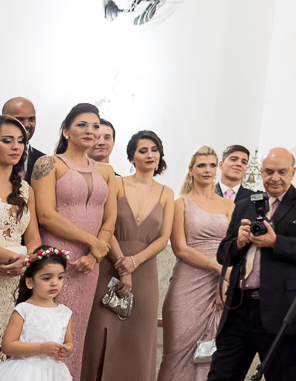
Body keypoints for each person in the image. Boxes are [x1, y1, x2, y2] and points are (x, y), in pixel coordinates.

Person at [208, 147, 296, 380]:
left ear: (292, 172)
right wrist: (239, 242)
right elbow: (223, 255)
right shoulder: (244, 204)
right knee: (220, 376)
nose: (275, 178)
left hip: (282, 309)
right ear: (261, 172)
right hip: (238, 309)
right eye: (269, 171)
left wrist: (275, 242)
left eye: (282, 172)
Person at [31, 104, 118, 381]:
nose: (90, 131)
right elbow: (45, 215)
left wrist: (95, 255)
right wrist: (93, 242)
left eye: (95, 126)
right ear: (66, 130)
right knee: (46, 332)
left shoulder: (106, 171)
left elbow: (109, 219)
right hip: (55, 258)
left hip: (88, 266)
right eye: (82, 125)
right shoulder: (49, 164)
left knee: (75, 334)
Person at [81, 130, 174, 381]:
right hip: (109, 266)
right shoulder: (117, 182)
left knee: (138, 340)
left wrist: (134, 262)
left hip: (144, 274)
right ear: (131, 156)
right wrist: (123, 265)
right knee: (100, 333)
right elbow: (106, 224)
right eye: (142, 150)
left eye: (154, 150)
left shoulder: (167, 193)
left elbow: (163, 239)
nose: (149, 155)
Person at [157, 146, 233, 381]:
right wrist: (218, 269)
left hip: (220, 285)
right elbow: (180, 249)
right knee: (176, 352)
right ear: (191, 170)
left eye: (212, 165)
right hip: (187, 284)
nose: (207, 170)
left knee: (212, 353)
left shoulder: (229, 206)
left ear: (218, 168)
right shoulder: (180, 203)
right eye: (201, 165)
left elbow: (233, 246)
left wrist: (226, 278)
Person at [0, 246, 73, 381]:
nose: (55, 283)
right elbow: (7, 346)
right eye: (46, 278)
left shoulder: (64, 313)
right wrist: (40, 348)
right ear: (30, 282)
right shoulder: (24, 310)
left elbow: (68, 341)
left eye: (60, 277)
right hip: (23, 373)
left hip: (53, 373)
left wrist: (67, 349)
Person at [0, 114, 42, 342]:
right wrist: (11, 258)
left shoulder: (26, 190)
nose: (16, 146)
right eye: (7, 140)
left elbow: (33, 238)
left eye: (20, 141)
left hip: (17, 278)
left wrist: (25, 262)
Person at [1, 99, 43, 182]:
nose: (26, 125)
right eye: (20, 119)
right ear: (4, 119)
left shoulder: (43, 160)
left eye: (31, 119)